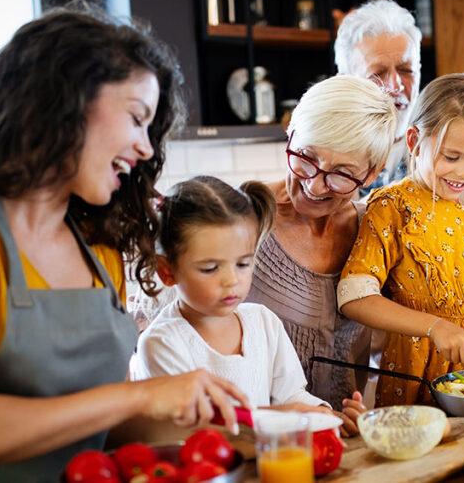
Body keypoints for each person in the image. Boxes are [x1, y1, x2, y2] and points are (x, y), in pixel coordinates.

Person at [0, 2, 249, 481]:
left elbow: (108, 429)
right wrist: (143, 394)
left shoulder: (98, 245)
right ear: (64, 99)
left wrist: (257, 429)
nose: (147, 148)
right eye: (136, 117)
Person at [129, 176, 365, 436]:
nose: (232, 280)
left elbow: (291, 396)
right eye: (210, 268)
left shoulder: (263, 321)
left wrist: (327, 416)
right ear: (167, 272)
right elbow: (195, 432)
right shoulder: (162, 343)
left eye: (243, 264)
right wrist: (281, 417)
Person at [337, 73, 464, 407]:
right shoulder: (393, 206)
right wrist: (435, 327)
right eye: (451, 157)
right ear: (414, 139)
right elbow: (354, 297)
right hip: (417, 382)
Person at [245, 75, 397, 411]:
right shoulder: (240, 215)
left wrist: (348, 416)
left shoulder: (374, 231)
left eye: (342, 173)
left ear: (372, 173)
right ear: (291, 133)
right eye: (306, 157)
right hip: (256, 440)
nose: (314, 185)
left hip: (338, 440)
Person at [334, 0, 422, 194]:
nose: (396, 86)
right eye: (377, 74)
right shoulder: (327, 165)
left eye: (406, 70)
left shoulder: (444, 154)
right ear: (345, 83)